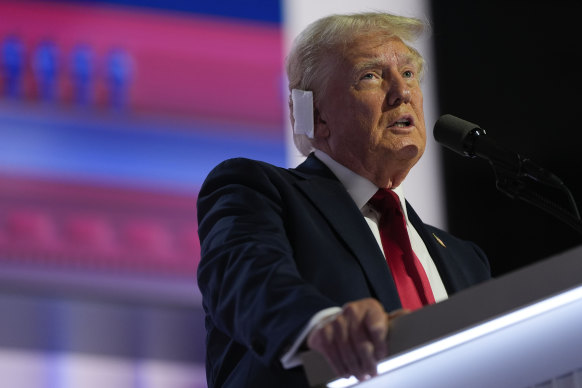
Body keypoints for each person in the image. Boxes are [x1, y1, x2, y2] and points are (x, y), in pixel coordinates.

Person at [197, 12, 491, 388]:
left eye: (409, 74)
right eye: (371, 76)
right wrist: (321, 326)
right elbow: (245, 277)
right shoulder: (258, 190)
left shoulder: (465, 259)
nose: (401, 92)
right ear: (316, 116)